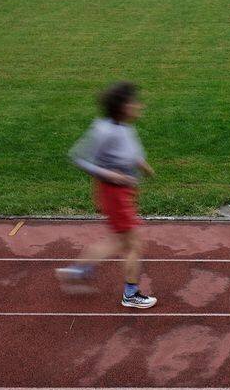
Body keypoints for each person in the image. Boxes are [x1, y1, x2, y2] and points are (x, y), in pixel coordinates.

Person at [58, 81, 157, 308]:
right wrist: (113, 176)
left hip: (123, 191)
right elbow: (79, 158)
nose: (139, 106)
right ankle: (130, 294)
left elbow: (127, 152)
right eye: (134, 102)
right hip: (114, 193)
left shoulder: (122, 125)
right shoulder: (105, 130)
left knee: (119, 242)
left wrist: (142, 166)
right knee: (133, 245)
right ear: (122, 107)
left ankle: (77, 270)